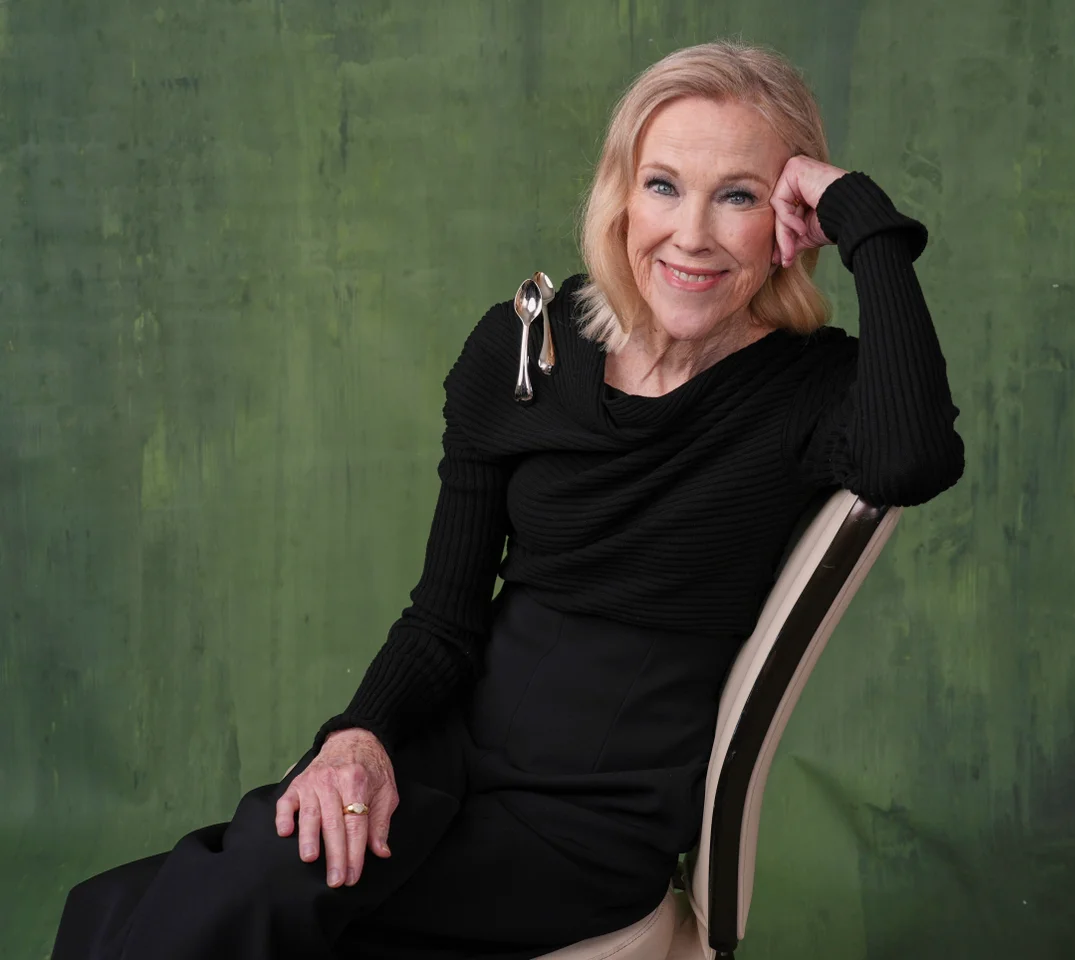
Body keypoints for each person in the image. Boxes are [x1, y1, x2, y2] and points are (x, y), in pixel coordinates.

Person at [52, 39, 964, 960]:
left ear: (788, 220)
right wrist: (359, 736)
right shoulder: (525, 350)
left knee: (211, 919)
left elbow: (914, 458)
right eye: (662, 186)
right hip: (446, 755)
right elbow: (442, 619)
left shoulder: (812, 389)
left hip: (590, 821)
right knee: (162, 898)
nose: (690, 233)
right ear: (620, 197)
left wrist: (862, 217)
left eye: (739, 195)